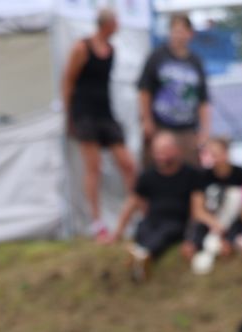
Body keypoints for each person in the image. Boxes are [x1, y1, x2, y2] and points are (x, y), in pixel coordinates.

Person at [63, 8, 138, 240]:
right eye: (116, 21)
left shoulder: (112, 50)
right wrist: (69, 116)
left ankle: (135, 212)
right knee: (93, 168)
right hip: (85, 114)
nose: (119, 25)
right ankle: (97, 222)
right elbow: (68, 81)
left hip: (106, 113)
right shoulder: (82, 48)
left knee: (128, 164)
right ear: (107, 24)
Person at [109, 131, 211, 279]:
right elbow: (131, 203)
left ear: (176, 150)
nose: (160, 156)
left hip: (177, 223)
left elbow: (197, 208)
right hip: (152, 221)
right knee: (143, 228)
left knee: (166, 231)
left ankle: (142, 255)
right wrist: (117, 232)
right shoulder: (147, 175)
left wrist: (192, 238)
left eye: (164, 151)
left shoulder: (192, 175)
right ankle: (141, 257)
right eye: (157, 151)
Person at [139, 15, 211, 158]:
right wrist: (146, 120)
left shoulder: (195, 61)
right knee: (160, 163)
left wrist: (205, 129)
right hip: (161, 125)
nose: (178, 35)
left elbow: (203, 99)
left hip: (188, 127)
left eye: (182, 31)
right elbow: (144, 90)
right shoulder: (157, 56)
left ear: (190, 34)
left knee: (190, 167)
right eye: (175, 31)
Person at [193, 137, 242, 274]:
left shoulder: (241, 174)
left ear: (226, 153)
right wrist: (215, 224)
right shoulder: (202, 176)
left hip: (233, 219)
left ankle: (224, 247)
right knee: (194, 235)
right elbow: (197, 210)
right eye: (209, 153)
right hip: (210, 219)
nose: (213, 158)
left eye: (216, 153)